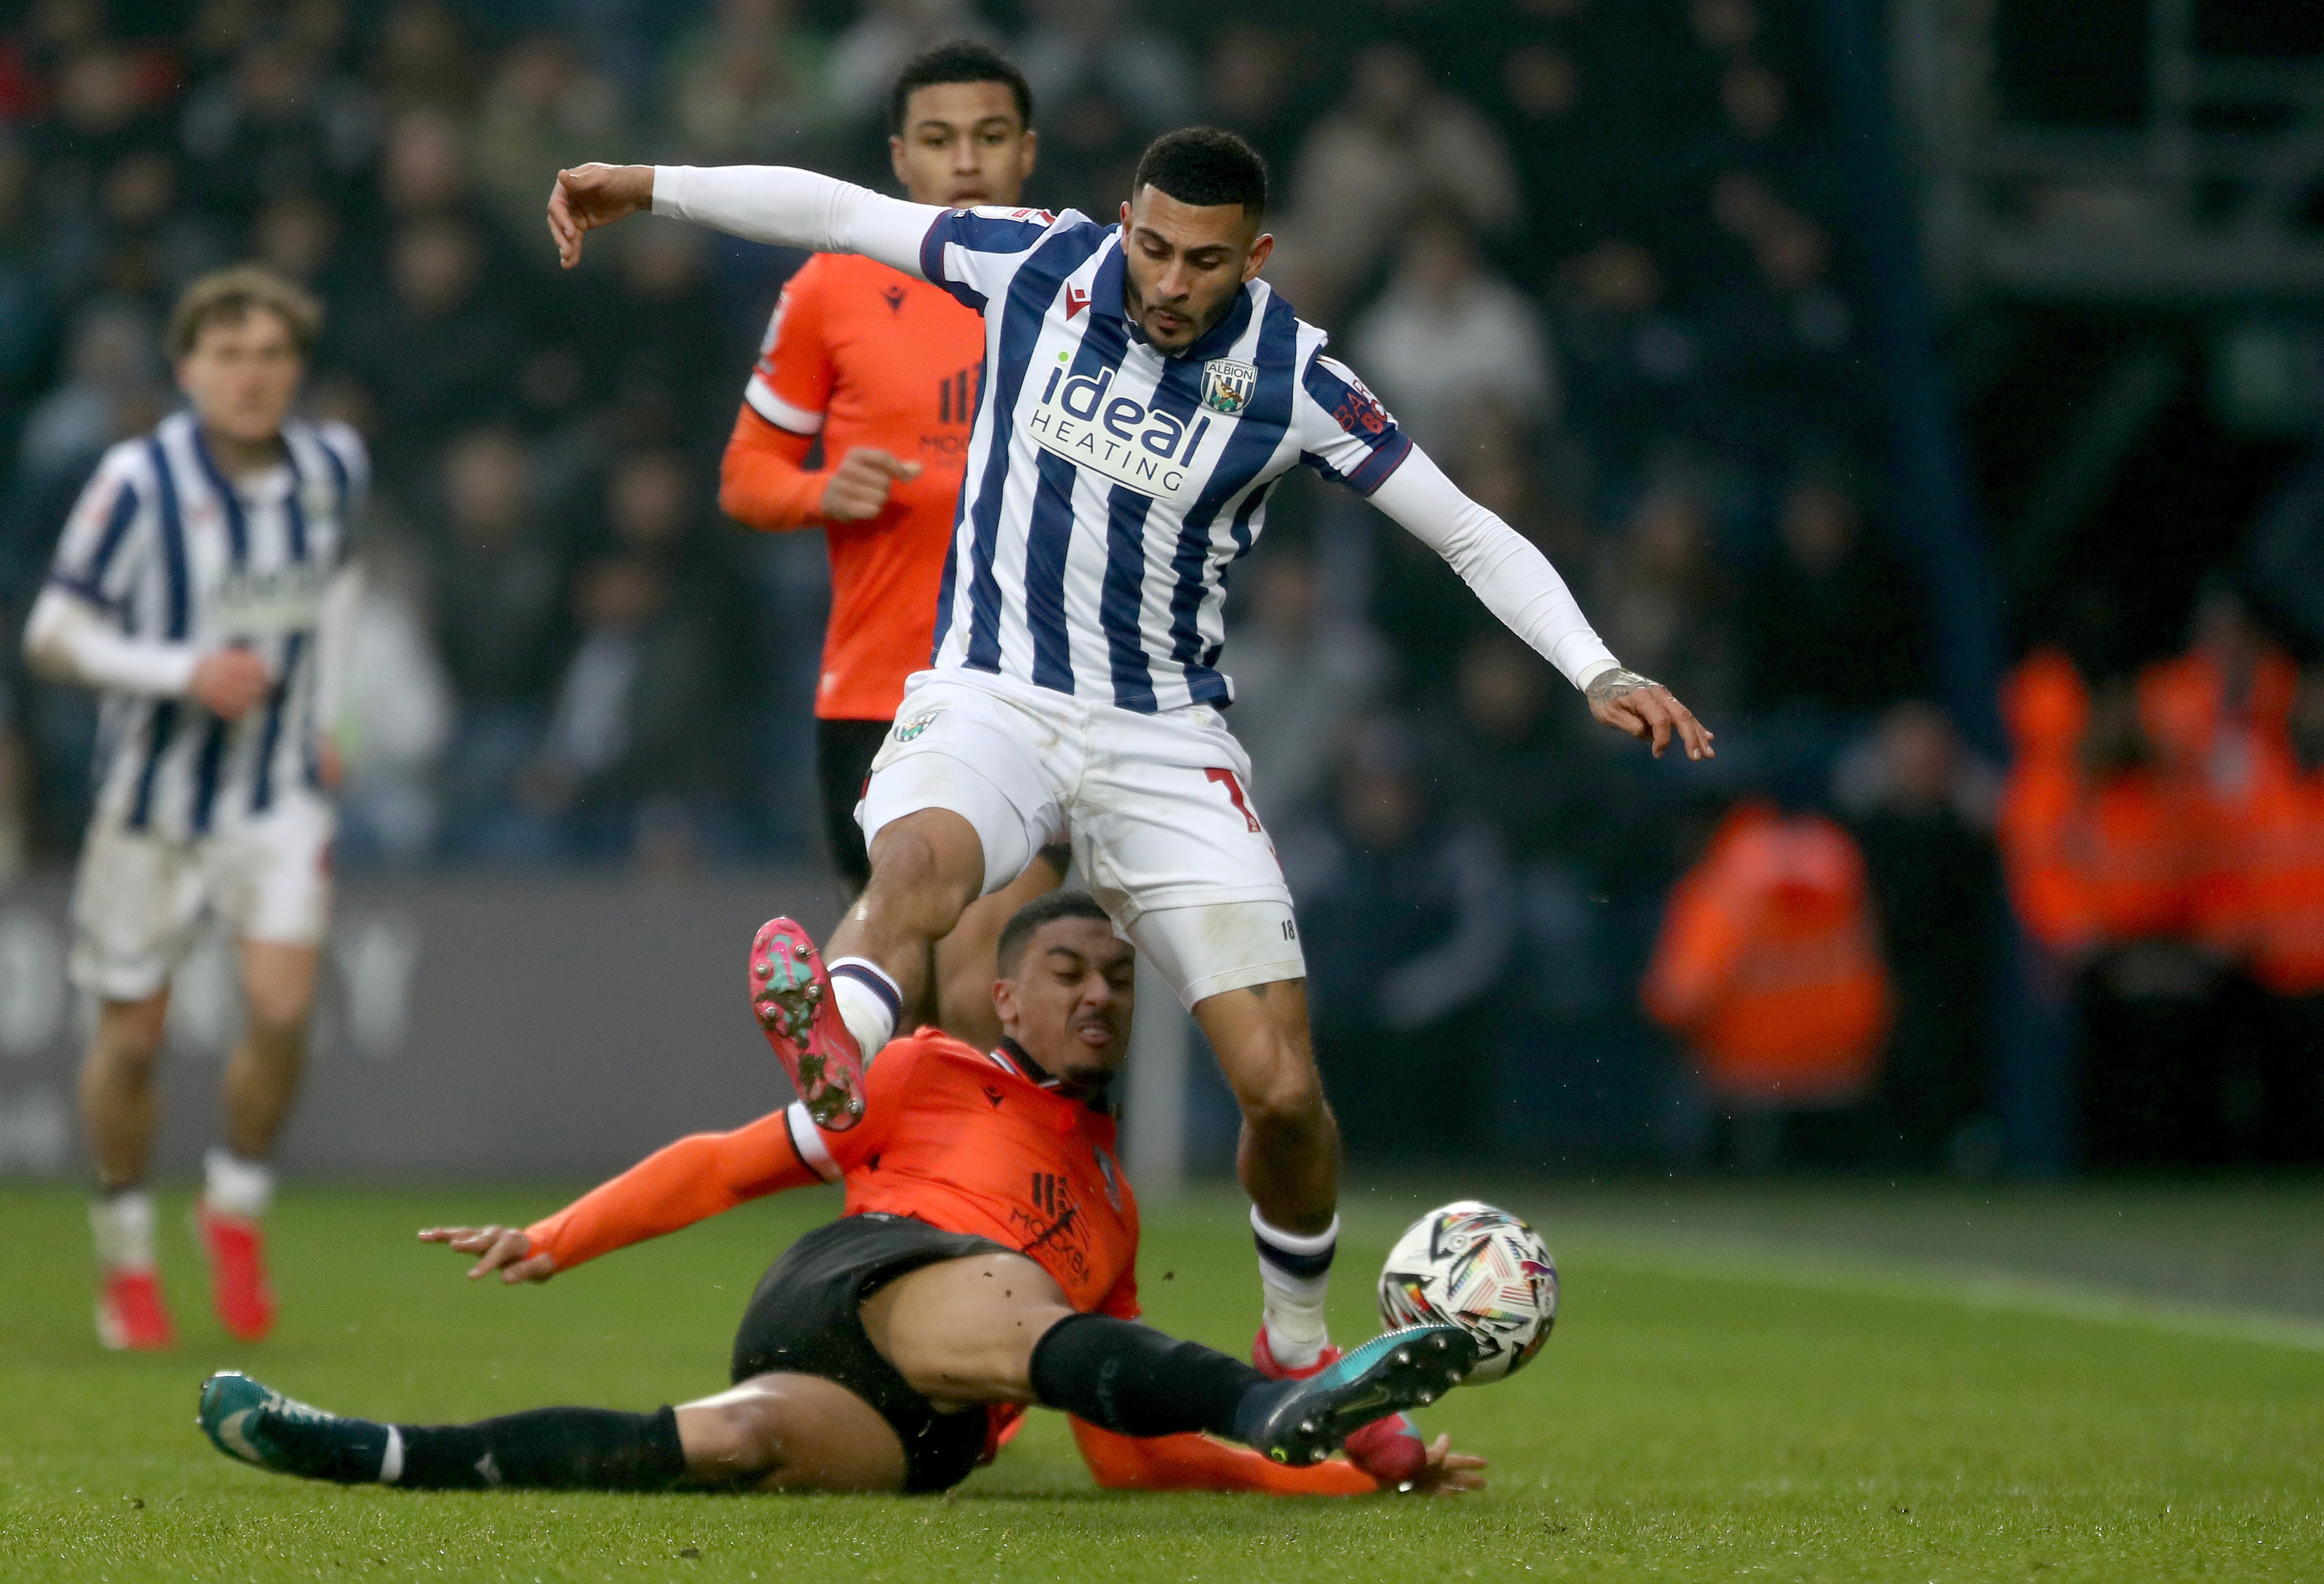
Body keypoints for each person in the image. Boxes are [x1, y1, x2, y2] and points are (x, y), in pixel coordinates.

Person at [544, 125, 1712, 1390]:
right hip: (994, 690)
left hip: (1165, 736)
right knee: (921, 869)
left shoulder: (1298, 378)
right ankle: (839, 1038)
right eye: (1151, 247)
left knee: (1281, 1093)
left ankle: (1299, 1351)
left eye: (1202, 263)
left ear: (1253, 258)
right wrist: (650, 187)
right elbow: (835, 210)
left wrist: (1599, 668)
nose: (1166, 282)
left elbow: (1471, 531)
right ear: (1123, 221)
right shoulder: (1037, 264)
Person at [196, 892, 1483, 1496]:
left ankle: (377, 1452)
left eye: (1121, 980)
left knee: (726, 1443)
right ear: (1009, 1000)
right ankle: (830, 1057)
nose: (1100, 995)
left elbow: (1133, 1450)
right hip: (858, 1279)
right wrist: (557, 1235)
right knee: (998, 1276)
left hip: (918, 1422)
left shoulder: (1118, 1208)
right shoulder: (940, 1067)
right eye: (1072, 973)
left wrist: (1359, 1484)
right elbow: (722, 1162)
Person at [22, 265, 364, 1351]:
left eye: (270, 354)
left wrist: (329, 723)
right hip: (152, 805)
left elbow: (340, 590)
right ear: (187, 370)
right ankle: (124, 1248)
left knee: (278, 1006)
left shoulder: (333, 468)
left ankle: (235, 1205)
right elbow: (54, 634)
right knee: (132, 1039)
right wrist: (182, 672)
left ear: (295, 369)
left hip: (277, 797)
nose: (250, 375)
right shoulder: (136, 481)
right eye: (227, 354)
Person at [719, 41, 1068, 1047]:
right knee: (911, 1021)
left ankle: (1024, 1191)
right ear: (900, 161)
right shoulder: (832, 289)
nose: (966, 161)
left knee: (980, 984)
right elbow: (746, 477)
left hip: (1024, 689)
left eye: (990, 137)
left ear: (1027, 151)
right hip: (874, 693)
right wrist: (824, 490)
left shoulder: (1083, 290)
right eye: (939, 139)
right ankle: (907, 1204)